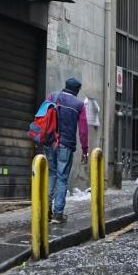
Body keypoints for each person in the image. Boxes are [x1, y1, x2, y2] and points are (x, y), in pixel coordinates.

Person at [45, 77, 88, 224]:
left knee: (52, 174)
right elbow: (83, 130)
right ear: (77, 90)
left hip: (49, 142)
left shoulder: (52, 97)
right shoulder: (79, 104)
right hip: (66, 144)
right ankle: (58, 213)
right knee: (62, 178)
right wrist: (85, 150)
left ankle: (46, 210)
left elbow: (42, 116)